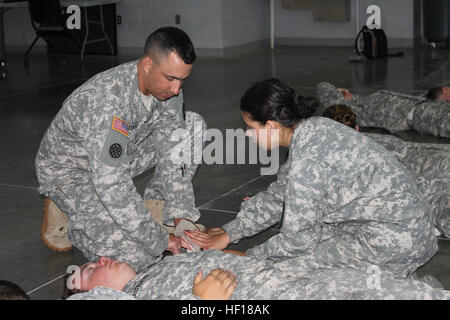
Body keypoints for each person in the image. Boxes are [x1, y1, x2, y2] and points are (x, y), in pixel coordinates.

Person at [186, 78, 437, 279]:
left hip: (397, 243)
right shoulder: (314, 127)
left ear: (271, 126)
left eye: (251, 128)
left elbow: (297, 243)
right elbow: (279, 194)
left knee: (289, 268)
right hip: (407, 226)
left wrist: (248, 257)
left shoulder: (307, 163)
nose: (249, 136)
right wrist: (231, 232)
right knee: (314, 237)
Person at [35, 27, 206, 272]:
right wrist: (158, 240)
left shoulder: (169, 91)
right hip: (72, 173)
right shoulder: (107, 101)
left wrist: (182, 217)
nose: (177, 89)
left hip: (117, 155)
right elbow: (111, 184)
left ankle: (156, 209)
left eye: (182, 80)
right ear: (147, 64)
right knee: (135, 259)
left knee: (191, 127)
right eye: (170, 78)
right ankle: (72, 212)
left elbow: (173, 151)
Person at [64, 251, 450, 300]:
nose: (100, 259)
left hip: (300, 277)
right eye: (87, 271)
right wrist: (204, 306)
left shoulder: (157, 269)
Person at [322, 105, 450, 238]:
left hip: (423, 181)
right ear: (357, 128)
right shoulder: (371, 146)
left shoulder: (327, 164)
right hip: (429, 164)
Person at [316, 82, 450, 138]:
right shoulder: (349, 112)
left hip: (425, 107)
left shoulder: (362, 101)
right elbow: (323, 86)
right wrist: (340, 96)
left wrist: (350, 96)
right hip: (419, 114)